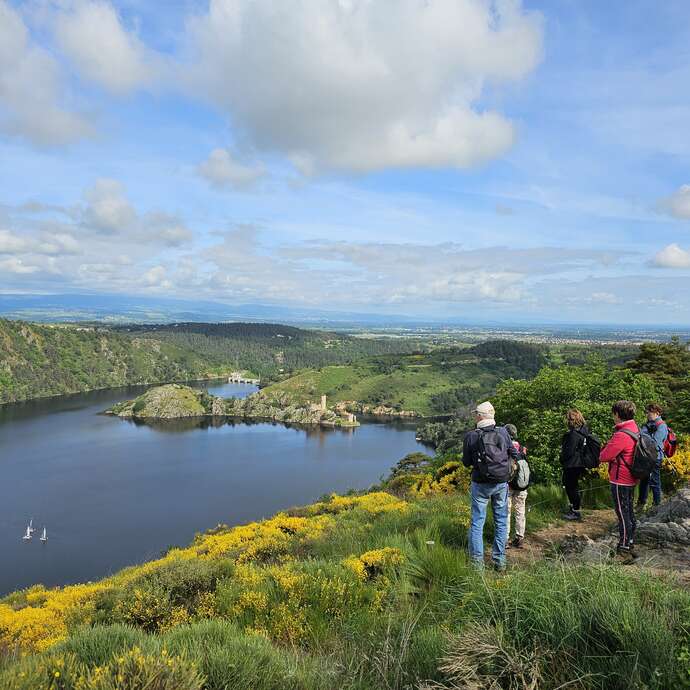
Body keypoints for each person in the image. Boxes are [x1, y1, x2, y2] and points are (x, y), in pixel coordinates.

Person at [462, 401, 519, 571]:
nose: (474, 416)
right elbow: (514, 453)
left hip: (480, 484)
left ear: (480, 416)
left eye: (476, 414)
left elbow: (466, 462)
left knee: (477, 522)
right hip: (501, 483)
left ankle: (477, 565)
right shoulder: (503, 431)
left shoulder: (472, 436)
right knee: (501, 521)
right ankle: (499, 561)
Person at [599, 400, 640, 561]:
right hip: (631, 478)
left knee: (623, 515)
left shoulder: (621, 435)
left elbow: (604, 456)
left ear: (617, 414)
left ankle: (623, 551)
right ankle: (629, 544)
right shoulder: (634, 429)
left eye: (613, 414)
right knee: (629, 512)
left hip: (620, 479)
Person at [637, 403, 668, 509]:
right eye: (648, 412)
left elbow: (655, 442)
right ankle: (641, 503)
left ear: (657, 413)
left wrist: (644, 436)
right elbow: (640, 436)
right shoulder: (648, 424)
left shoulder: (662, 425)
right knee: (644, 480)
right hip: (646, 457)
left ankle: (657, 504)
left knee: (654, 480)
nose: (648, 414)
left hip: (656, 457)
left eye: (651, 412)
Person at [560, 409, 588, 521]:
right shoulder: (583, 431)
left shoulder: (573, 434)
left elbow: (568, 452)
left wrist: (561, 458)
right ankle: (574, 509)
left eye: (568, 419)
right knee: (573, 487)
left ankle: (575, 511)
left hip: (572, 464)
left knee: (571, 487)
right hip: (579, 463)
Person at [505, 423, 527, 548]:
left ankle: (505, 539)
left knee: (506, 511)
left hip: (507, 484)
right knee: (520, 511)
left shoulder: (504, 447)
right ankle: (520, 538)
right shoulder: (522, 448)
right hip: (521, 484)